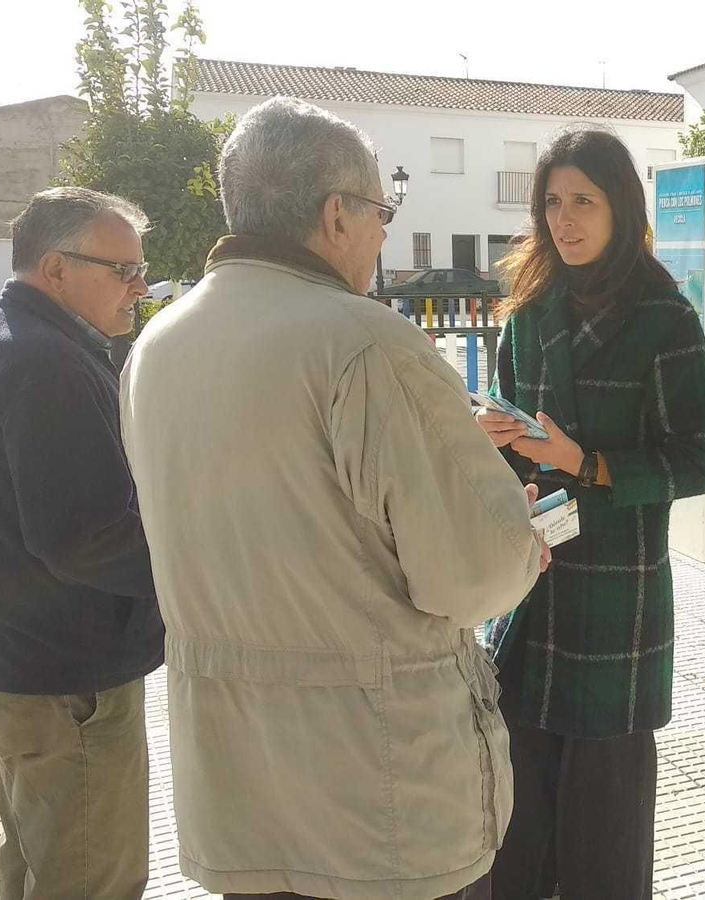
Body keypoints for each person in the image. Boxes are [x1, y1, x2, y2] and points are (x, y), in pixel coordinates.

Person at [119, 96, 546, 900]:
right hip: (381, 810)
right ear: (336, 215)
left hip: (239, 800)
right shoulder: (365, 341)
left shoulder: (160, 344)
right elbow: (474, 576)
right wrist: (523, 539)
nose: (386, 232)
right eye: (384, 210)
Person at [477, 127, 705, 900]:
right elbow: (516, 446)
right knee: (519, 811)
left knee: (605, 819)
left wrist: (587, 463)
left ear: (621, 206)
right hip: (533, 583)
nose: (565, 219)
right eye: (552, 201)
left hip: (619, 597)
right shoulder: (529, 314)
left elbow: (699, 461)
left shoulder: (665, 319)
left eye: (584, 199)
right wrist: (498, 441)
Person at [0, 186, 162, 898]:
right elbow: (87, 539)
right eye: (121, 269)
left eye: (139, 267)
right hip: (68, 678)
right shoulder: (44, 361)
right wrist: (196, 566)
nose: (140, 286)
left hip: (24, 663)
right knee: (91, 878)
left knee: (41, 862)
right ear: (56, 269)